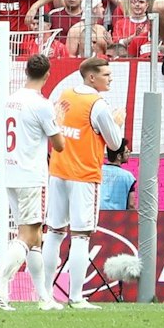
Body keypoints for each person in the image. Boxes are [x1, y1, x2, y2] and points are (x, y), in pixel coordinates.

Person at [0, 52, 63, 311]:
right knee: (28, 237)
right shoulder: (42, 104)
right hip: (31, 175)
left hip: (11, 173)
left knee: (36, 239)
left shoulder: (11, 100)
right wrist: (58, 121)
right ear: (47, 74)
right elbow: (59, 145)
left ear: (26, 71)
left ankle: (44, 297)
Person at [48, 56, 124, 310]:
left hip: (58, 170)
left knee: (55, 232)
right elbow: (115, 144)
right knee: (80, 236)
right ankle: (76, 296)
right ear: (91, 77)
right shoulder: (98, 104)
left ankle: (45, 294)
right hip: (83, 175)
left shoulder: (65, 94)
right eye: (106, 74)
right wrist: (118, 123)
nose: (110, 78)